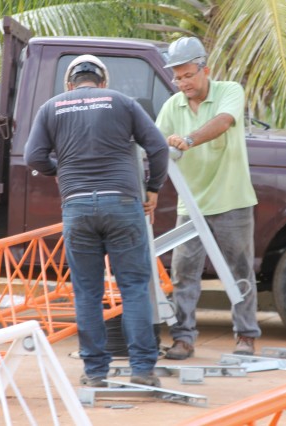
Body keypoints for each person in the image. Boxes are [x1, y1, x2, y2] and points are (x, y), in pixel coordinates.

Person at [24, 54, 169, 387]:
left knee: (87, 293)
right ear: (103, 82)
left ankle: (94, 372)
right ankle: (143, 370)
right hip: (122, 202)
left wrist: (61, 171)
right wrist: (153, 188)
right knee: (133, 288)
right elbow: (158, 146)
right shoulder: (122, 102)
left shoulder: (51, 108)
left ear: (69, 83)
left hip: (77, 207)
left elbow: (34, 156)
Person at [155, 37, 261, 360]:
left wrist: (187, 139)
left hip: (232, 200)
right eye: (177, 77)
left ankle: (245, 336)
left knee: (239, 270)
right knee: (184, 273)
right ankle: (183, 339)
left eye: (187, 75)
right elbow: (156, 144)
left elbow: (223, 123)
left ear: (205, 70)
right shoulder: (173, 106)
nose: (182, 83)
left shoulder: (229, 91)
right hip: (192, 204)